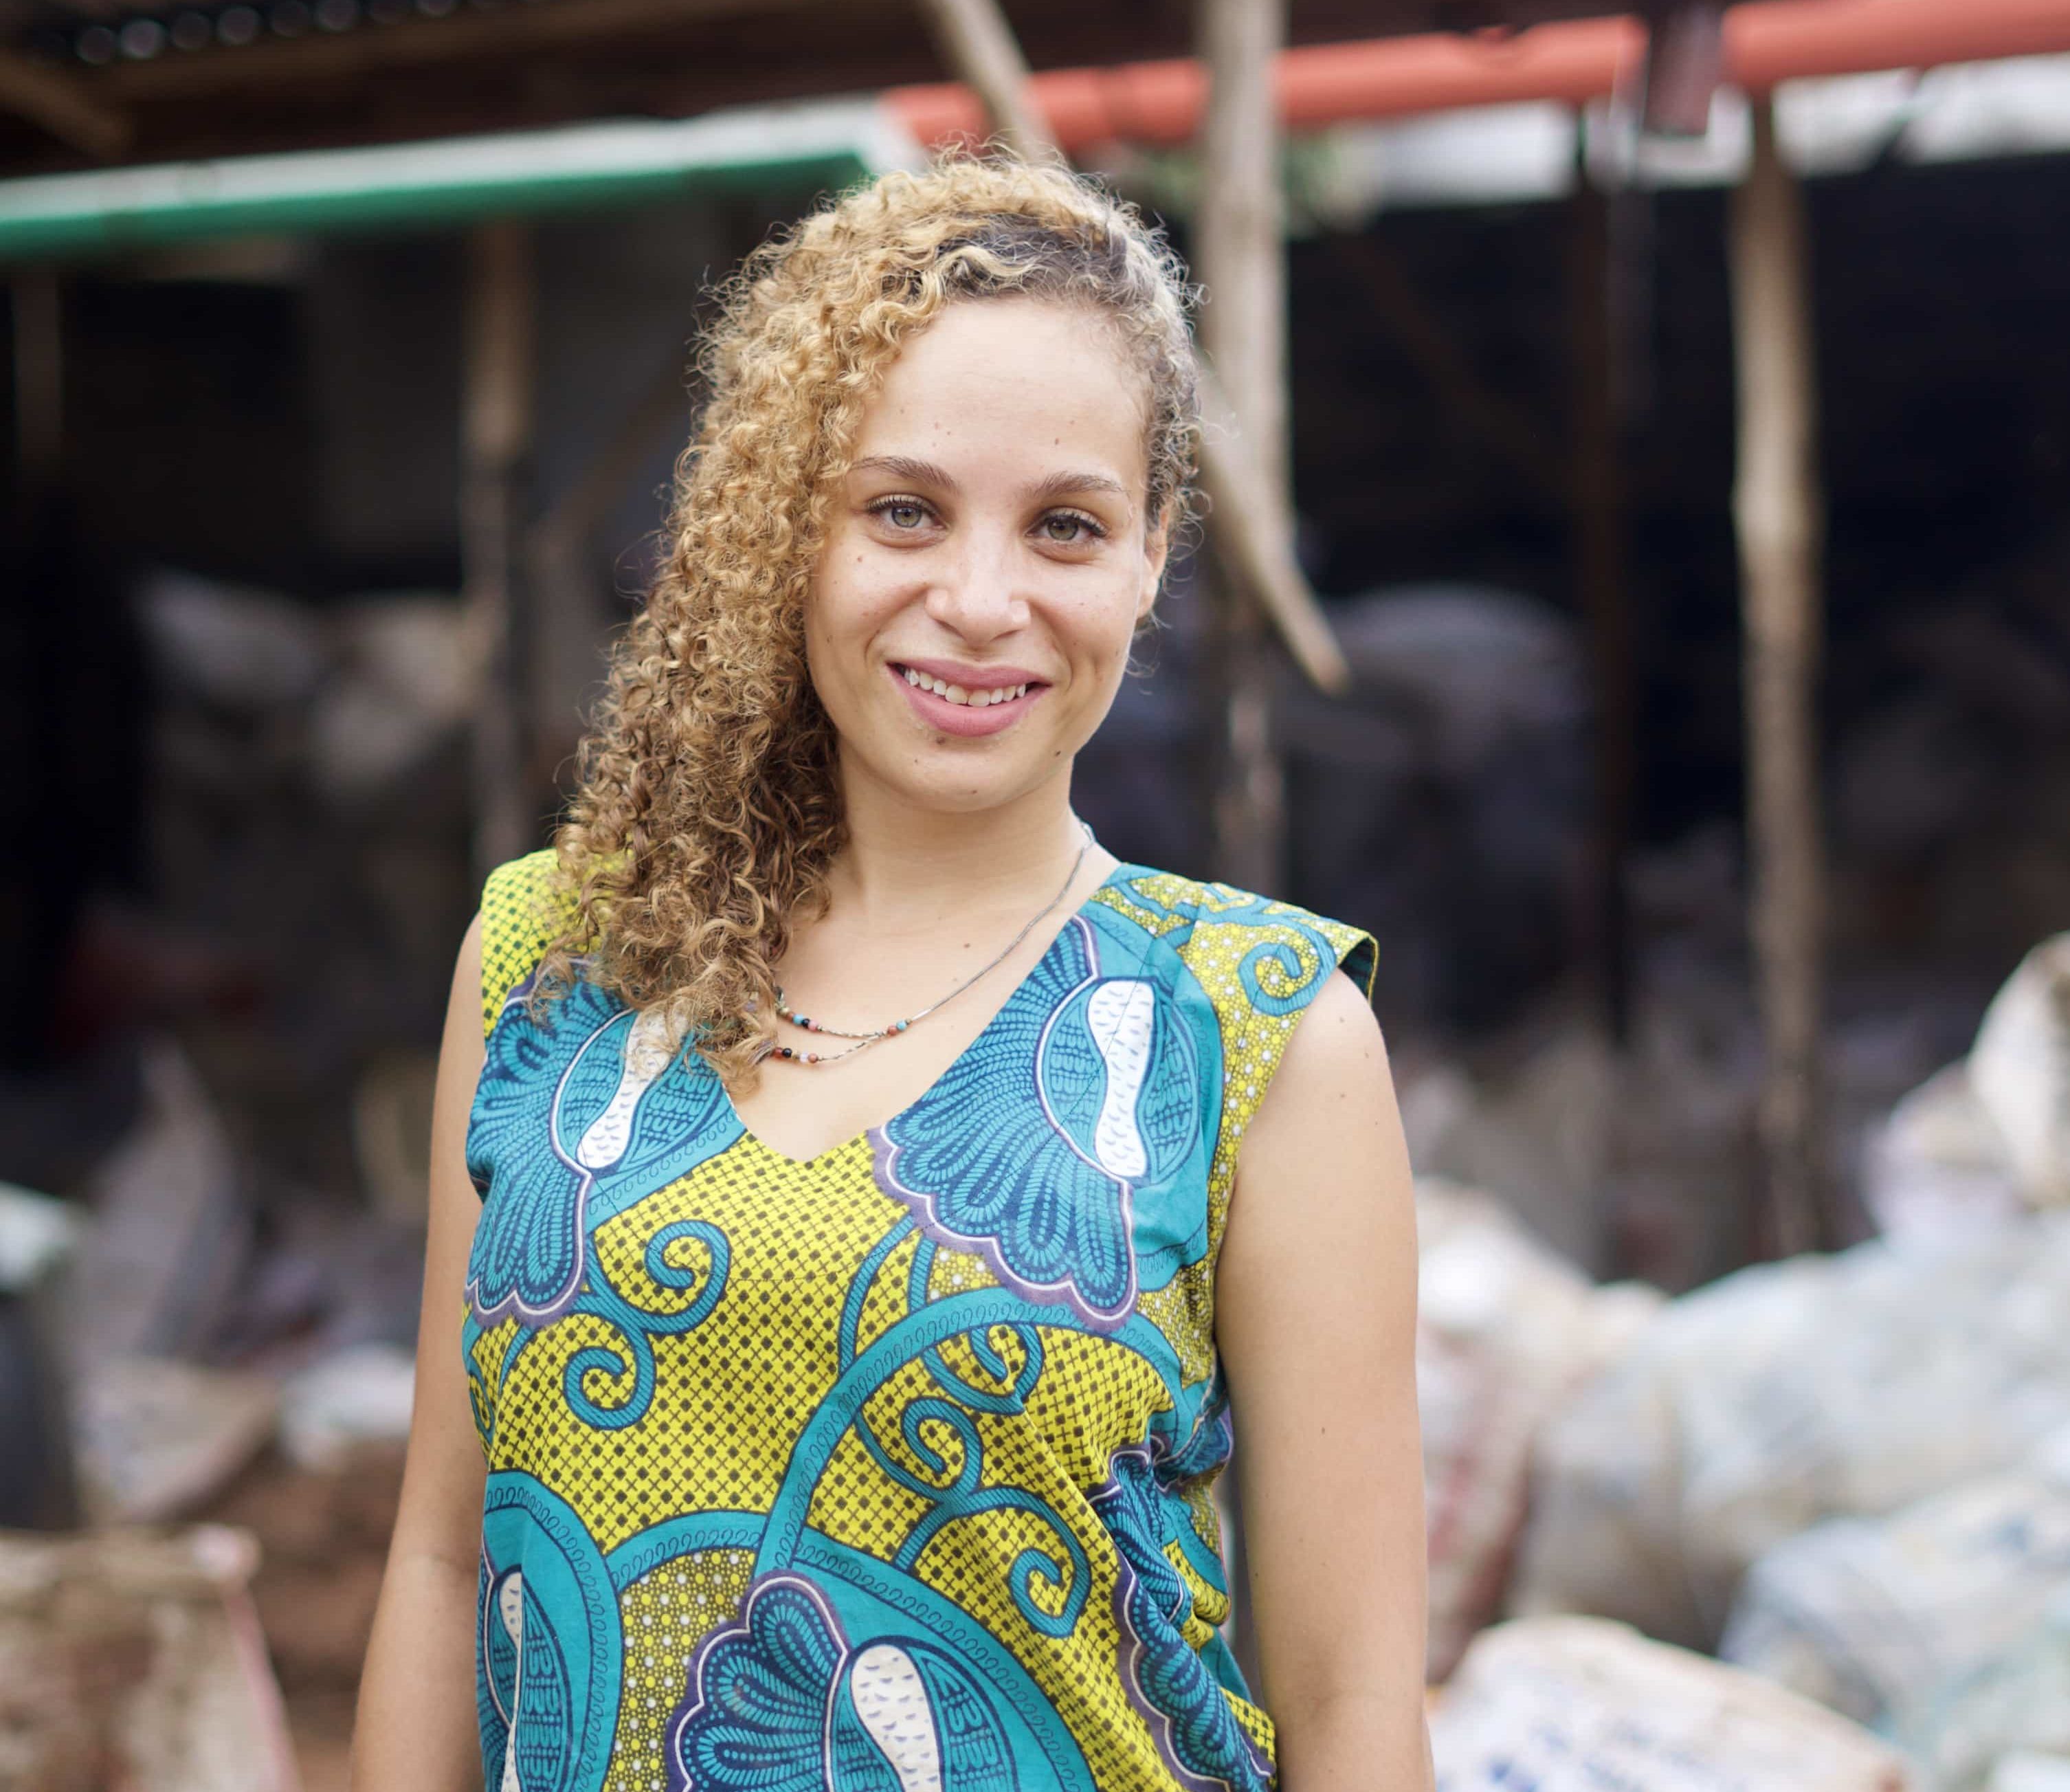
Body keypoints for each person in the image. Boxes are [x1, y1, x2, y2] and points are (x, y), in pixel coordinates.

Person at [353, 155, 1430, 1792]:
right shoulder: (553, 960)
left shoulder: (1257, 1028)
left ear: (1149, 558)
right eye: (902, 509)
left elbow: (1351, 1698)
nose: (980, 601)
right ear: (791, 528)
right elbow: (441, 1563)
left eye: (1064, 524)